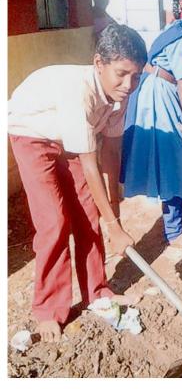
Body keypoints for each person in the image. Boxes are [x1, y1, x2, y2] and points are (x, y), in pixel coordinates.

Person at [8, 24, 147, 342]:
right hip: (32, 134)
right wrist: (114, 227)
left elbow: (110, 153)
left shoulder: (120, 93)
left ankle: (98, 292)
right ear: (99, 64)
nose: (129, 84)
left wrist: (114, 215)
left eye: (136, 76)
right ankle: (48, 309)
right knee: (54, 220)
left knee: (89, 211)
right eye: (122, 73)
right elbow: (89, 163)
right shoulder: (79, 91)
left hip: (70, 135)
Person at [121, 0, 182, 250]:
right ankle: (174, 232)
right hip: (162, 94)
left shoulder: (176, 27)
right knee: (172, 157)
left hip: (152, 90)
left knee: (165, 157)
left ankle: (174, 218)